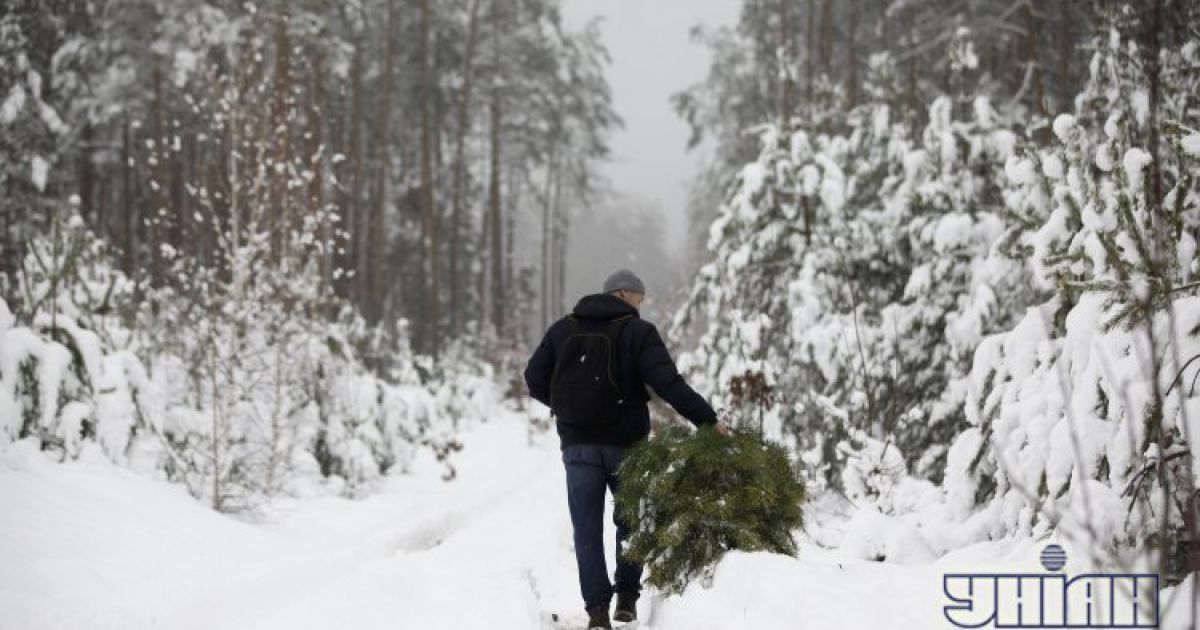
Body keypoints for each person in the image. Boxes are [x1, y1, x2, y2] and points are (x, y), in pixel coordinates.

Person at [524, 268, 729, 630]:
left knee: (585, 530)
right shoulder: (638, 332)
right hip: (628, 446)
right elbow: (668, 383)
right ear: (624, 294)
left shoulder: (562, 329)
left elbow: (534, 377)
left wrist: (567, 408)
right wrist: (708, 421)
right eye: (640, 297)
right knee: (633, 522)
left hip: (578, 446)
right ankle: (627, 601)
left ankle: (597, 613)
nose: (641, 304)